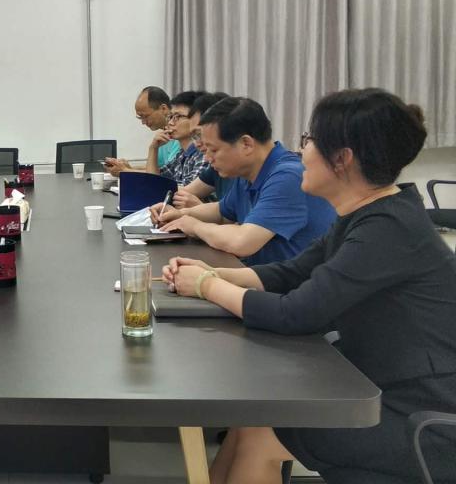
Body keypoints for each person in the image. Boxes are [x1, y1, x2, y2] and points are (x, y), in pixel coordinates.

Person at [161, 89, 456, 484]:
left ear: (342, 158)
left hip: (421, 415)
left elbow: (296, 312)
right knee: (254, 418)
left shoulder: (388, 228)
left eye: (309, 140)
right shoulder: (369, 214)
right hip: (379, 385)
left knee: (263, 435)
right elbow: (291, 272)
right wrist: (209, 273)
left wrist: (207, 286)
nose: (301, 152)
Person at [152, 97, 336, 265]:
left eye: (213, 150)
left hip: (292, 287)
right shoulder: (247, 172)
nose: (207, 158)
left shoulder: (288, 176)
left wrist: (193, 225)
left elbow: (242, 242)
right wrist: (180, 214)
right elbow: (222, 212)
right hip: (257, 275)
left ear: (246, 144)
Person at [166, 92, 234, 207]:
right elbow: (182, 193)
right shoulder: (215, 167)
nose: (197, 143)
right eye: (194, 136)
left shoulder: (255, 175)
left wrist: (197, 206)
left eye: (199, 134)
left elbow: (229, 215)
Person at [104, 86, 181, 174]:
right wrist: (127, 167)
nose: (143, 122)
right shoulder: (163, 134)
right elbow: (158, 168)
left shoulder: (179, 134)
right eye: (140, 117)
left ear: (163, 109)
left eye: (146, 116)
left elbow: (169, 174)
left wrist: (125, 171)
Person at [145, 90, 208, 184]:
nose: (170, 123)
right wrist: (153, 148)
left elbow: (188, 190)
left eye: (178, 117)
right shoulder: (181, 155)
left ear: (196, 118)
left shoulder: (203, 154)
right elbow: (153, 181)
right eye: (171, 117)